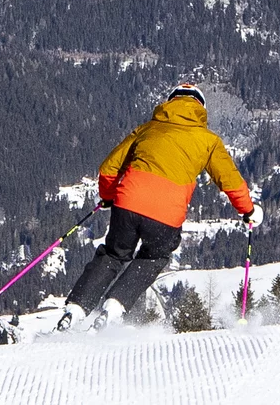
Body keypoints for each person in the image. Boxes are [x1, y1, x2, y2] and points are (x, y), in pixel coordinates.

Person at [58, 83, 264, 331]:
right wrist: (248, 211)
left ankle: (75, 310)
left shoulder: (147, 130)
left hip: (128, 205)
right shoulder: (209, 141)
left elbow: (109, 169)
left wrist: (109, 197)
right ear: (201, 109)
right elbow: (231, 182)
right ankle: (113, 308)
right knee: (153, 257)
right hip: (166, 216)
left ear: (168, 103)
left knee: (113, 255)